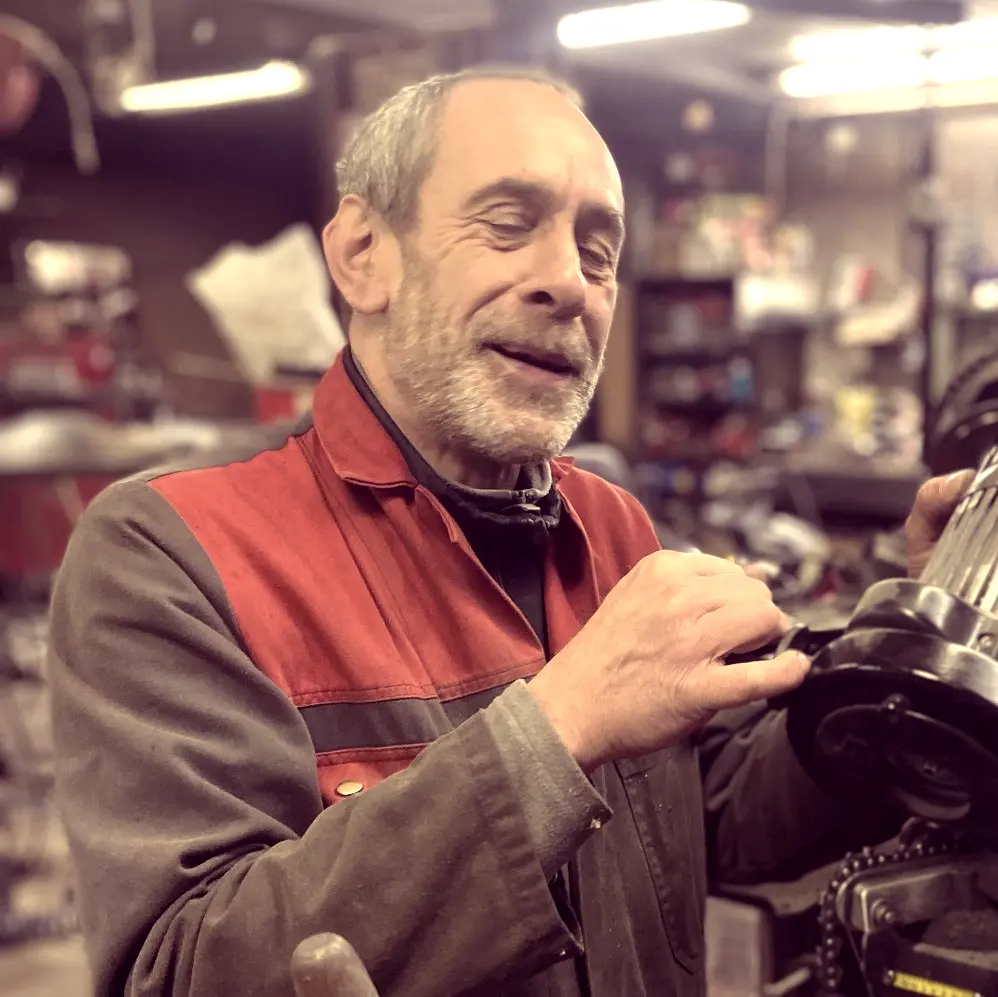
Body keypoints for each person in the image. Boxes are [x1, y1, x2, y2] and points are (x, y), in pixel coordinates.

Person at [48, 66, 971, 997]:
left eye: (598, 252)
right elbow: (184, 968)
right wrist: (562, 724)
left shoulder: (611, 524)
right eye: (507, 224)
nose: (569, 282)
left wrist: (913, 657)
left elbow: (713, 816)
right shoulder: (173, 553)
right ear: (364, 253)